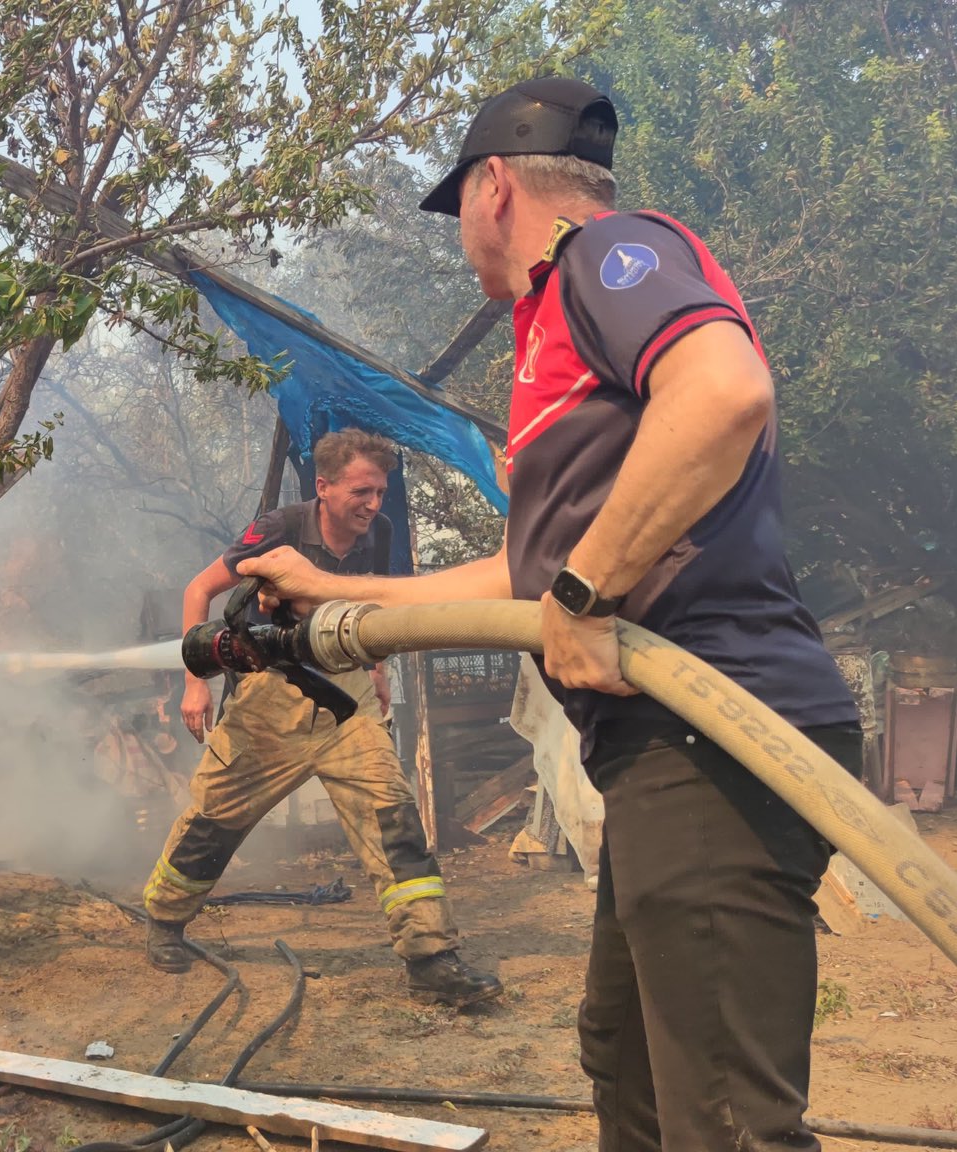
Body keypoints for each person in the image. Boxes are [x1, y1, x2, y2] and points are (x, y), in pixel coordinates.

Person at [239, 77, 862, 1152]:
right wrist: (336, 592)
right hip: (662, 747)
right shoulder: (560, 330)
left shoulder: (604, 258)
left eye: (457, 221)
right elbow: (526, 578)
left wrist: (583, 591)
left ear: (491, 188)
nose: (459, 249)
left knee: (717, 1113)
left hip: (713, 729)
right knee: (624, 1061)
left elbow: (721, 394)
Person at [142, 428, 503, 1008]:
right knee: (214, 820)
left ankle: (430, 956)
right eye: (362, 491)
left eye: (381, 492)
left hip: (347, 702)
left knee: (392, 816)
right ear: (324, 487)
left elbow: (372, 610)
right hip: (269, 704)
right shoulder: (280, 528)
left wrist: (377, 671)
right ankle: (164, 919)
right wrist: (193, 682)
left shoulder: (379, 534)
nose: (373, 505)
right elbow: (200, 589)